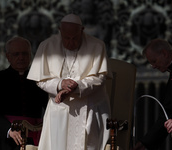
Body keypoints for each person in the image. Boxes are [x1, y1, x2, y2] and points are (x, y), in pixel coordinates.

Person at [27, 13, 111, 150]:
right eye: (66, 38)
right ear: (60, 30)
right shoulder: (46, 46)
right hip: (59, 110)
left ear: (82, 30)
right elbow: (41, 80)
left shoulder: (97, 46)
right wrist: (60, 84)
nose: (70, 43)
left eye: (75, 38)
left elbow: (99, 78)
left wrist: (75, 87)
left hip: (89, 108)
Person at [0, 36, 48, 150]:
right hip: (3, 140)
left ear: (30, 55)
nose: (21, 57)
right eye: (16, 54)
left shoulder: (39, 81)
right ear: (8, 56)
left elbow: (49, 108)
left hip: (33, 140)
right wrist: (9, 130)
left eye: (25, 54)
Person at [133, 38, 172, 150]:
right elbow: (166, 115)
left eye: (154, 61)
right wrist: (145, 143)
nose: (153, 66)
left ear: (164, 54)